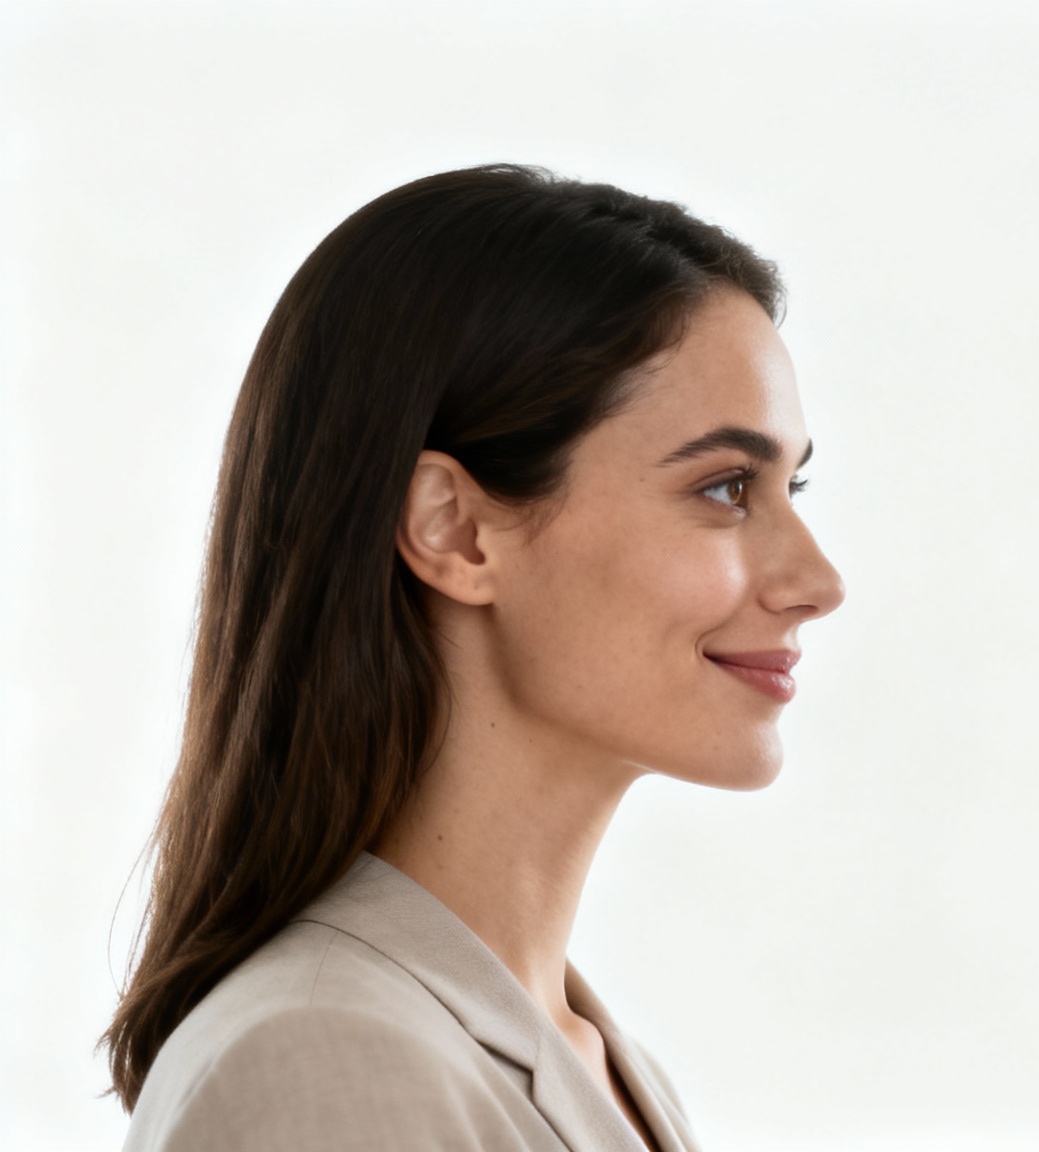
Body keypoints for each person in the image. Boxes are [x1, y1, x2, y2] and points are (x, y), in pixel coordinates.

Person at [106, 165, 844, 1151]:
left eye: (794, 485)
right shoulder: (326, 1061)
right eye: (725, 488)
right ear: (453, 530)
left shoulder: (594, 1064)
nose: (817, 579)